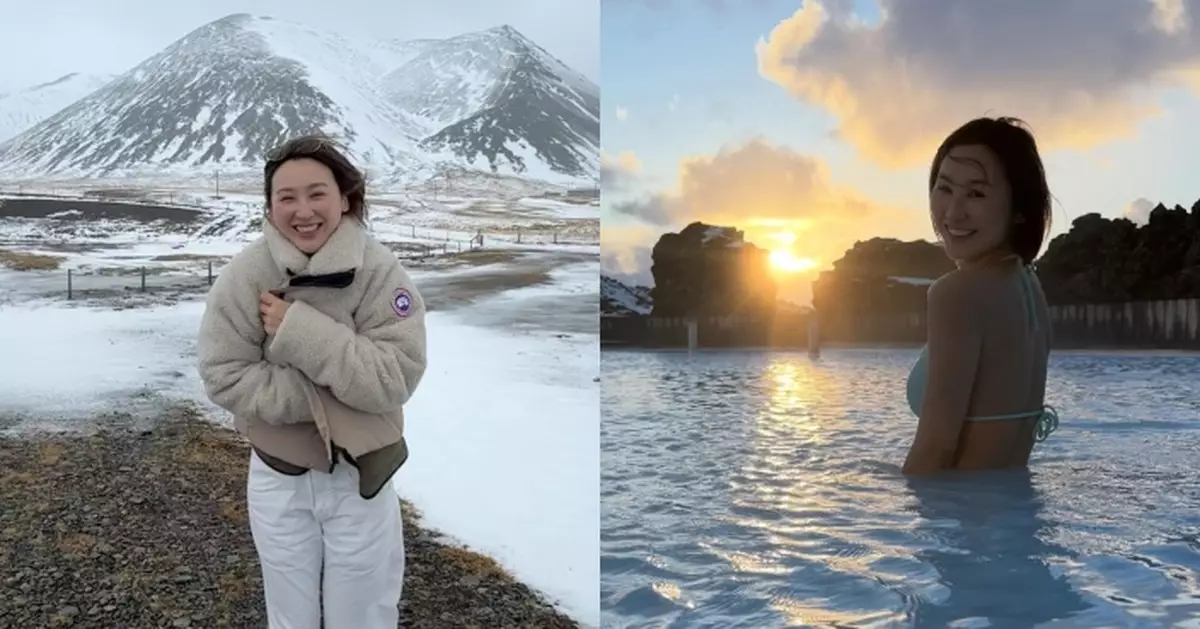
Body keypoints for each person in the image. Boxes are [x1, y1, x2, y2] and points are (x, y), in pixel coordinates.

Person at [197, 135, 427, 627]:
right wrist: (322, 401)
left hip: (360, 476)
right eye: (287, 197)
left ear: (345, 198)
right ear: (270, 206)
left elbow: (395, 377)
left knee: (363, 612)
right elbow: (223, 373)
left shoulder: (381, 274)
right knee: (289, 613)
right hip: (278, 472)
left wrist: (299, 331)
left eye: (317, 193)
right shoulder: (246, 275)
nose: (303, 211)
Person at [902, 117, 1058, 476]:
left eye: (976, 193)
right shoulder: (1028, 287)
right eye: (944, 189)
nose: (953, 212)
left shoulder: (956, 293)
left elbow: (935, 447)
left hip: (963, 519)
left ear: (1020, 208)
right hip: (1018, 512)